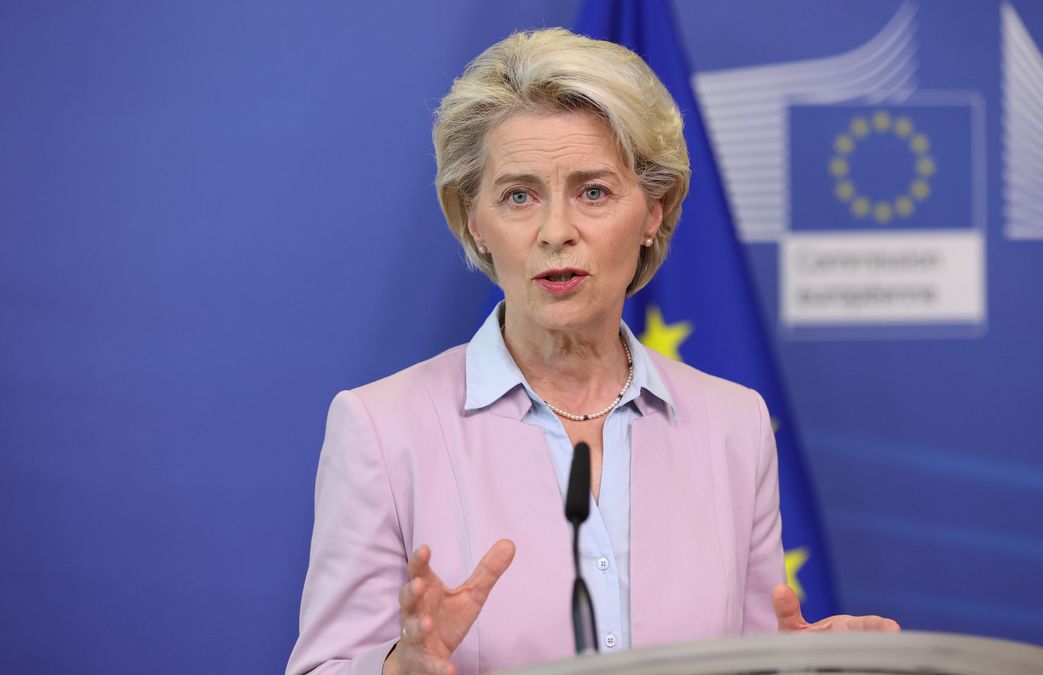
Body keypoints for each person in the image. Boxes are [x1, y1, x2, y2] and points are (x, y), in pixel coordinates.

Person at [286, 27, 898, 675]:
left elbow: (754, 653)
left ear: (653, 210)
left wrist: (814, 665)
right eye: (519, 195)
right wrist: (396, 669)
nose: (556, 232)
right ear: (474, 219)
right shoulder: (383, 428)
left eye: (593, 192)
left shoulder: (733, 425)